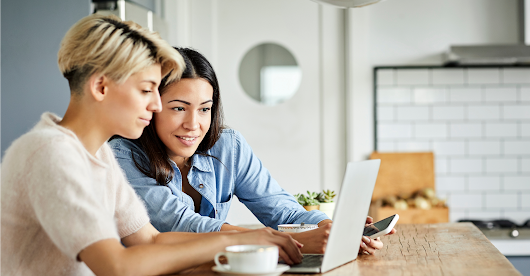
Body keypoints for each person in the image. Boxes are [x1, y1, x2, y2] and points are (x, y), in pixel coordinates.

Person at [0, 14, 303, 276]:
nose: (157, 104)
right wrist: (235, 240)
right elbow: (117, 267)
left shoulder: (97, 155)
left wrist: (251, 241)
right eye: (147, 90)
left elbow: (151, 240)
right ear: (101, 86)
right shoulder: (51, 153)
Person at [110, 47, 394, 255]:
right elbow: (180, 225)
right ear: (153, 106)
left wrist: (334, 229)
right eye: (178, 108)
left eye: (205, 109)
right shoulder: (123, 155)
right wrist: (281, 241)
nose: (193, 125)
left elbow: (281, 209)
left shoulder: (227, 145)